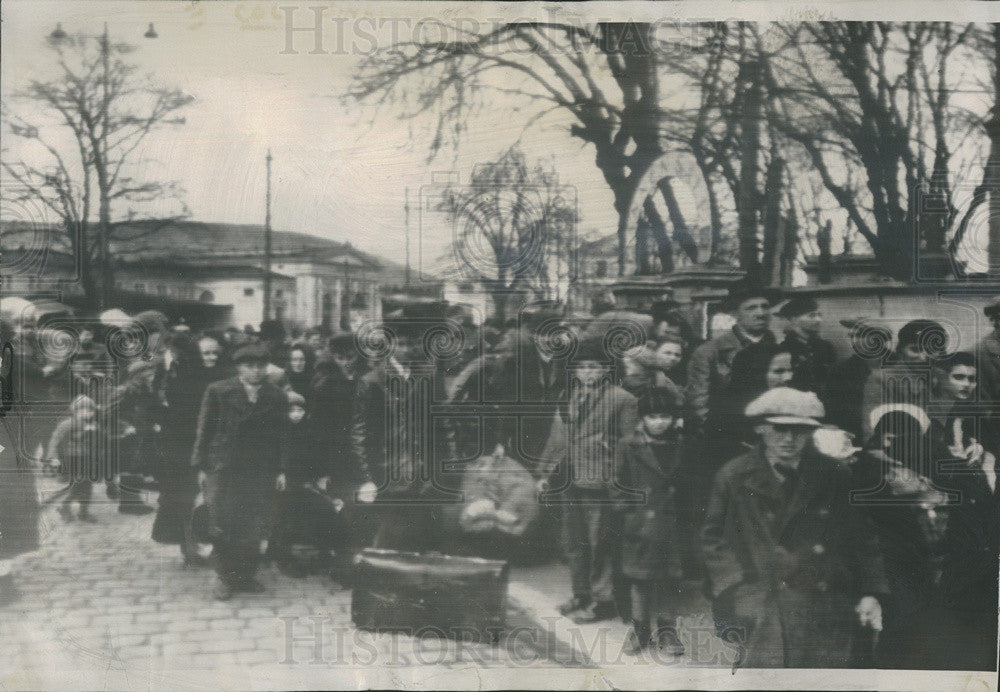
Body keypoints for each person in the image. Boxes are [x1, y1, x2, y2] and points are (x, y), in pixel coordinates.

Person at [700, 387, 887, 668]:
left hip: (823, 597)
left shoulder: (833, 474)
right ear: (761, 428)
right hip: (763, 597)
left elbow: (861, 535)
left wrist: (871, 592)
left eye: (799, 430)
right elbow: (713, 538)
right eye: (779, 429)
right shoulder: (734, 475)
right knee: (766, 677)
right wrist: (735, 587)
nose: (789, 439)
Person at [538, 337, 639, 624]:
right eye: (581, 367)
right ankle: (581, 594)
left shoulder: (622, 399)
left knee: (600, 543)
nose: (587, 372)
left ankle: (603, 600)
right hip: (570, 479)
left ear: (607, 369)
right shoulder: (570, 397)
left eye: (594, 367)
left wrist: (613, 477)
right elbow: (557, 438)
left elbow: (628, 444)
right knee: (573, 541)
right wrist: (544, 473)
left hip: (600, 482)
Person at [853, 405, 949, 668]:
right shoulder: (872, 467)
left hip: (914, 561)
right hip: (888, 562)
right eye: (891, 437)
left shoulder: (916, 464)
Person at [191, 344, 289, 601]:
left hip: (259, 468)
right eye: (250, 366)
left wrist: (281, 469)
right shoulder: (218, 391)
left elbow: (281, 435)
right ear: (239, 367)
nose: (256, 371)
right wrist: (201, 465)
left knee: (255, 521)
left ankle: (246, 575)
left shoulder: (276, 395)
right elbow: (205, 429)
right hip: (223, 465)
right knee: (222, 519)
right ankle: (223, 577)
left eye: (260, 366)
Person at [616, 387, 685, 656]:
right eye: (653, 416)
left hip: (672, 524)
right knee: (640, 580)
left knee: (669, 579)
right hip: (640, 524)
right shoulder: (628, 445)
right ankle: (640, 629)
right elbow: (617, 482)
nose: (659, 422)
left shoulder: (680, 443)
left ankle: (668, 631)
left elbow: (691, 483)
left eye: (665, 416)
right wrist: (630, 513)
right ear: (642, 417)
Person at [154, 333, 231, 565]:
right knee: (184, 496)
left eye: (216, 353)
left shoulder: (226, 376)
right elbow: (171, 410)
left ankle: (221, 548)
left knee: (220, 496)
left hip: (217, 444)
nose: (212, 358)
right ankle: (188, 546)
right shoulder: (183, 378)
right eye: (206, 353)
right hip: (184, 443)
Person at [860, 319, 947, 440]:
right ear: (900, 350)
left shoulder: (945, 378)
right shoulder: (882, 379)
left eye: (931, 350)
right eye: (915, 350)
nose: (923, 357)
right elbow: (873, 433)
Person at [823, 317, 892, 441]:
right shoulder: (841, 371)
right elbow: (833, 411)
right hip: (856, 435)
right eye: (852, 336)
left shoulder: (899, 365)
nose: (854, 341)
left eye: (860, 335)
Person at [47, 395, 101, 523]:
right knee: (76, 487)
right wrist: (53, 457)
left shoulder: (94, 425)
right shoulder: (67, 424)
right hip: (72, 461)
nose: (87, 413)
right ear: (75, 411)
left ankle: (83, 512)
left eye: (90, 410)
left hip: (88, 461)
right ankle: (64, 507)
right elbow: (55, 440)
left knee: (88, 487)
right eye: (82, 410)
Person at [777, 296, 835, 393]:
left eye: (819, 315)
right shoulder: (783, 349)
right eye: (811, 315)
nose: (818, 320)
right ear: (794, 319)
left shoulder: (826, 347)